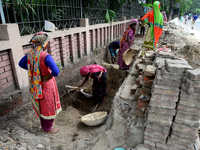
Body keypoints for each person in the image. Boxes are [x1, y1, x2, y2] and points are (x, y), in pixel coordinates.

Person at [18, 31, 62, 134]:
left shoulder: (30, 54)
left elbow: (21, 64)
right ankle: (48, 129)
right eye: (48, 42)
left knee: (41, 105)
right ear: (44, 44)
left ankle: (44, 126)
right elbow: (56, 71)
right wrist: (49, 76)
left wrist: (33, 70)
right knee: (48, 106)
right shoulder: (45, 56)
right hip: (46, 84)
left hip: (36, 85)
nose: (48, 44)